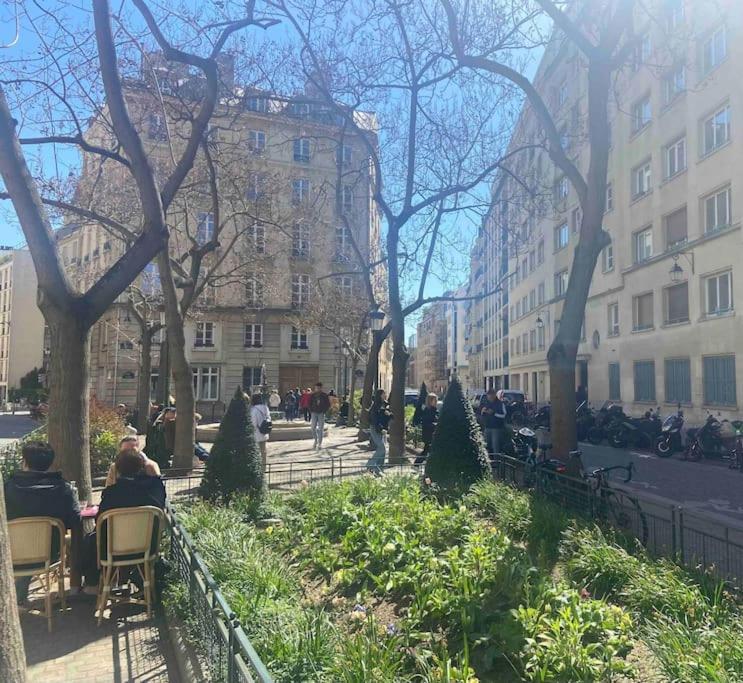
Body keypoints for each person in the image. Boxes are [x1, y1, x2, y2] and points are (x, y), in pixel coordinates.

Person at [4, 441, 82, 604]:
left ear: (24, 461)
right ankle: (74, 588)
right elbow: (75, 521)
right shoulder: (63, 489)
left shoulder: (8, 488)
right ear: (50, 463)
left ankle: (16, 597)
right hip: (49, 553)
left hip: (12, 554)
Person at [83, 448, 166, 588]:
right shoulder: (154, 489)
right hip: (147, 550)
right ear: (142, 467)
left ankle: (92, 583)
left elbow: (100, 522)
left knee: (91, 538)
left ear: (118, 469)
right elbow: (158, 485)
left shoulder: (112, 493)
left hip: (112, 552)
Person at [367, 389, 392, 473]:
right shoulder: (375, 406)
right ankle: (370, 464)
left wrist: (390, 415)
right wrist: (380, 429)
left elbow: (389, 415)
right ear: (380, 395)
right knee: (382, 448)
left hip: (383, 429)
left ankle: (379, 469)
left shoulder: (385, 404)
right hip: (376, 428)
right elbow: (374, 419)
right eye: (383, 394)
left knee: (384, 450)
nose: (385, 395)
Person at [480, 388, 507, 455]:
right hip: (487, 427)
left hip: (496, 428)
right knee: (485, 445)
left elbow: (504, 415)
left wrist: (494, 413)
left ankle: (497, 462)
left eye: (491, 395)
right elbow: (480, 414)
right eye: (488, 396)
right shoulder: (486, 403)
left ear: (494, 395)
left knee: (495, 446)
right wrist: (483, 412)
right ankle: (487, 461)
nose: (489, 397)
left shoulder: (500, 404)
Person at [414, 393, 439, 465]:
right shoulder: (428, 411)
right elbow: (426, 423)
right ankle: (418, 464)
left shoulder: (434, 410)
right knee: (427, 450)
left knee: (427, 450)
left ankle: (418, 464)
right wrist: (435, 425)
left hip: (432, 433)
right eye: (435, 400)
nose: (436, 402)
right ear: (430, 401)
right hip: (428, 433)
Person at [250, 393, 272, 469]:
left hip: (256, 433)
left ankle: (256, 467)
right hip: (264, 432)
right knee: (263, 451)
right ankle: (264, 467)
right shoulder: (266, 408)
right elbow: (269, 418)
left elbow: (253, 422)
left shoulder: (254, 410)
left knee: (255, 451)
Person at [309, 382, 331, 450]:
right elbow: (309, 403)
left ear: (321, 388)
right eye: (316, 388)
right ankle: (315, 440)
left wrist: (324, 411)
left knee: (320, 429)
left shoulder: (324, 395)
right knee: (313, 428)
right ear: (315, 388)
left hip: (321, 413)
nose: (317, 389)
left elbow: (328, 404)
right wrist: (311, 410)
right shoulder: (312, 395)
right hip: (314, 413)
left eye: (319, 388)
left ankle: (320, 443)